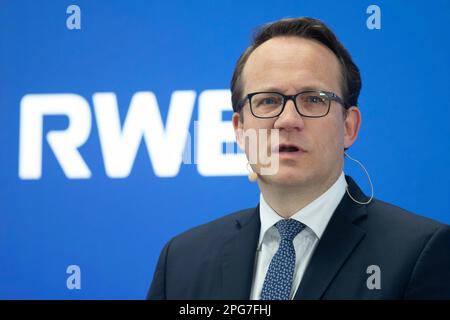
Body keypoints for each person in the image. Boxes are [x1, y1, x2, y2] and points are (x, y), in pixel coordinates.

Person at [147, 17, 450, 300]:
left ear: (349, 126)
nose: (287, 120)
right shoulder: (181, 261)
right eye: (267, 101)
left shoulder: (419, 252)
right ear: (240, 130)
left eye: (314, 99)